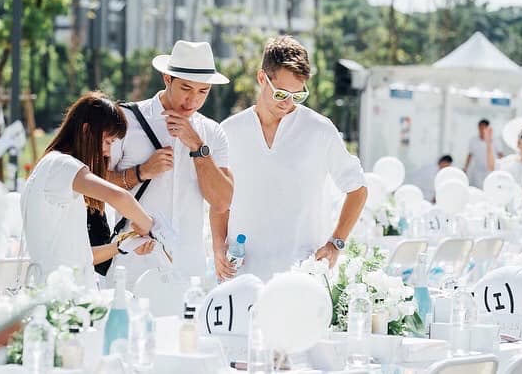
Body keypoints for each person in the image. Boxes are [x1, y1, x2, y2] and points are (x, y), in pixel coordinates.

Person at [212, 36, 368, 282]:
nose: (287, 103)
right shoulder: (229, 131)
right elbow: (220, 200)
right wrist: (218, 246)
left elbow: (358, 189)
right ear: (261, 78)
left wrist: (336, 243)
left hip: (301, 277)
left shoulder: (320, 130)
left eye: (297, 95)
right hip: (241, 276)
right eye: (281, 94)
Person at [106, 40, 233, 283]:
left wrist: (197, 146)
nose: (193, 100)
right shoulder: (126, 121)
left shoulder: (212, 133)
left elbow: (222, 202)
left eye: (203, 91)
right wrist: (140, 172)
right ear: (167, 78)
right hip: (132, 265)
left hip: (188, 270)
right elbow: (96, 185)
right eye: (186, 88)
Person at [21, 92, 155, 288]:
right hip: (62, 297)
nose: (108, 151)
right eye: (108, 141)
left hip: (64, 293)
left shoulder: (52, 168)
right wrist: (149, 226)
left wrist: (123, 245)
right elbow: (119, 196)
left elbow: (83, 256)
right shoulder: (61, 165)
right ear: (87, 131)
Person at [463, 119, 502, 188]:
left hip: (491, 170)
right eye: (480, 128)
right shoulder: (473, 140)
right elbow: (470, 155)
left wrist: (503, 168)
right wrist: (465, 168)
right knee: (478, 188)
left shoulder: (495, 140)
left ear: (487, 129)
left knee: (490, 187)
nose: (481, 130)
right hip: (478, 171)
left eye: (484, 128)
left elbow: (500, 155)